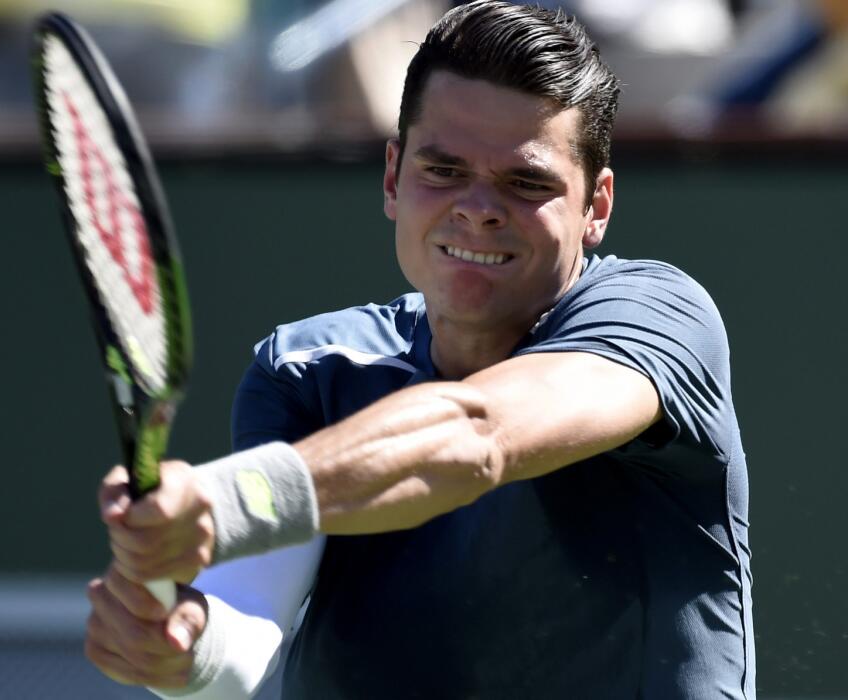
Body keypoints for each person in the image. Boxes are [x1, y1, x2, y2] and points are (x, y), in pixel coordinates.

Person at [84, 1, 754, 697]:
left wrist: (230, 500)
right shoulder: (307, 372)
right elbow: (243, 641)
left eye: (527, 183)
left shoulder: (660, 316)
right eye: (443, 170)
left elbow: (478, 434)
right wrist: (182, 650)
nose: (477, 207)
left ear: (598, 207)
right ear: (391, 179)